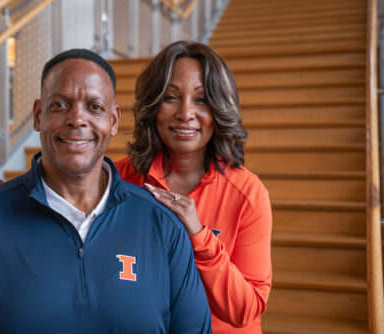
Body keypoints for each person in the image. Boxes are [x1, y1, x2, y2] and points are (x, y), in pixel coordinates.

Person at [0, 49, 212, 333]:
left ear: (113, 121)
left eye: (94, 107)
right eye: (60, 105)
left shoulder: (163, 225)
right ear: (37, 115)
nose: (77, 119)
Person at [115, 41, 272, 333]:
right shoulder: (118, 179)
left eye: (201, 100)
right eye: (171, 98)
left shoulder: (248, 194)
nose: (185, 113)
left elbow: (245, 310)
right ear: (153, 105)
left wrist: (199, 236)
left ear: (219, 108)